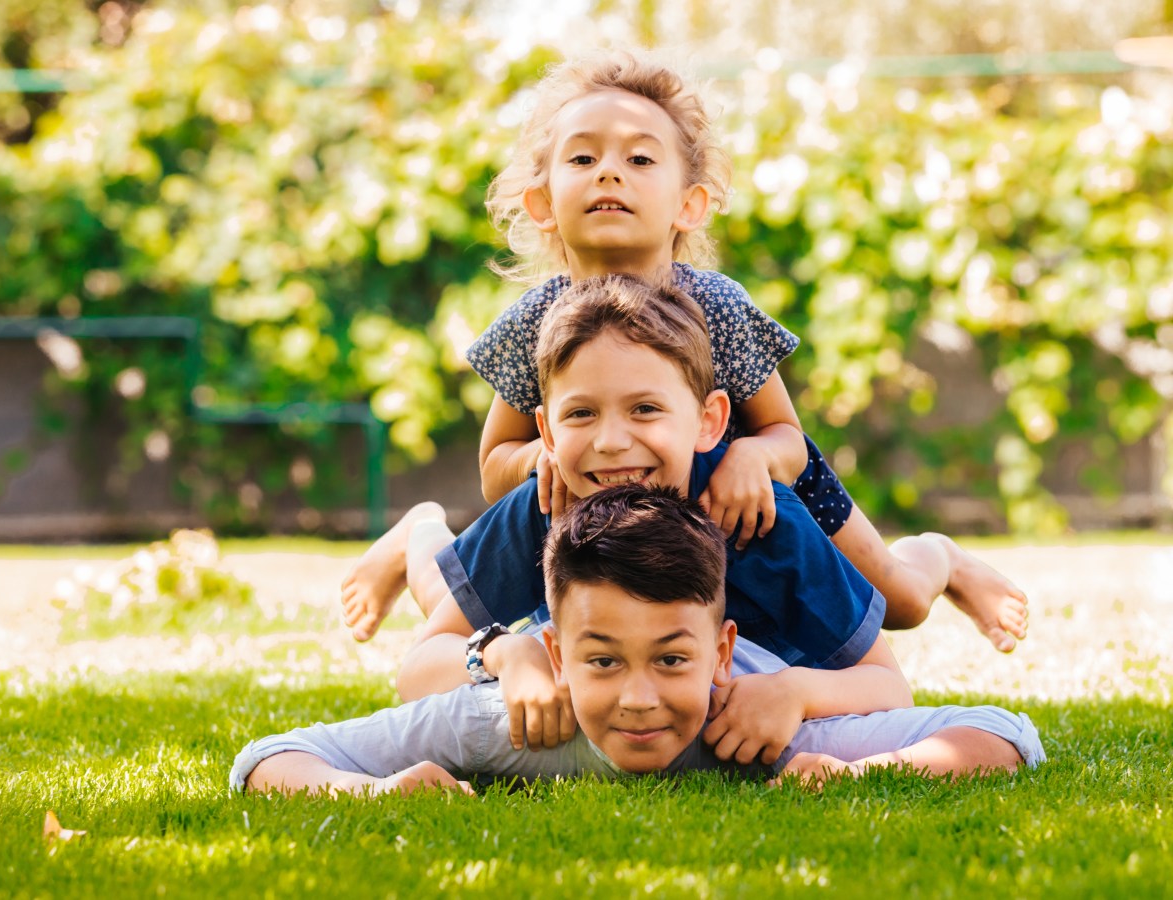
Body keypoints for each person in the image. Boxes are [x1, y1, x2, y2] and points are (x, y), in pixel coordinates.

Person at [341, 49, 1029, 653]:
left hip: (749, 492)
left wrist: (754, 457)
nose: (610, 173)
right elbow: (495, 468)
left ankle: (943, 559)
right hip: (597, 493)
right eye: (583, 158)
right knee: (451, 604)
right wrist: (542, 458)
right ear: (543, 200)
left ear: (690, 204)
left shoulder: (717, 306)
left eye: (640, 159)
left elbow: (785, 433)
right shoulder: (537, 319)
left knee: (898, 608)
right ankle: (416, 537)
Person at [345, 274, 913, 762]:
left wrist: (795, 694)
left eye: (645, 409)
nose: (612, 443)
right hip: (579, 626)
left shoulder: (765, 523)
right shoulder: (544, 506)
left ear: (709, 421)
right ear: (545, 433)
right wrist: (506, 653)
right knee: (450, 599)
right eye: (582, 414)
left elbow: (889, 686)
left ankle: (422, 538)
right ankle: (421, 534)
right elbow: (417, 671)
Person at [236, 485, 1044, 799]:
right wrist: (374, 792)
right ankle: (420, 529)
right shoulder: (516, 718)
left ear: (722, 655)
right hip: (510, 607)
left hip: (765, 574)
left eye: (672, 660)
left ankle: (939, 551)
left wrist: (856, 769)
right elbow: (268, 756)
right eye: (601, 663)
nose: (638, 698)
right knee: (435, 606)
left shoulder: (745, 723)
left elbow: (1005, 734)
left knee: (905, 594)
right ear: (556, 658)